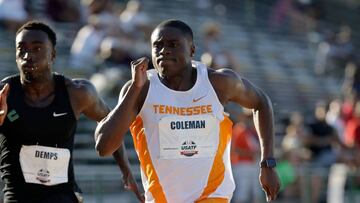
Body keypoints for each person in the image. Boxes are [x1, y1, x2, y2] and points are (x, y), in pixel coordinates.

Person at [95, 19, 280, 203]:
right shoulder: (141, 89)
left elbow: (262, 103)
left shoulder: (218, 83)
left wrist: (268, 164)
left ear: (192, 50)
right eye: (157, 46)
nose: (164, 50)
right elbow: (104, 147)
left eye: (173, 45)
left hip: (213, 195)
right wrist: (134, 89)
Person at [0, 21, 143, 203]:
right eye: (22, 49)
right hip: (18, 196)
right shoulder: (3, 94)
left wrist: (126, 171)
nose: (28, 55)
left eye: (37, 48)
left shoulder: (77, 93)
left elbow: (111, 124)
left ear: (53, 54)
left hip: (61, 195)